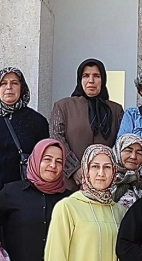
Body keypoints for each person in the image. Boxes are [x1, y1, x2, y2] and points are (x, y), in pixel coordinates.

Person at [48, 59, 124, 190]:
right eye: (86, 76)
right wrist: (74, 169)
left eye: (96, 76)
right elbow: (57, 139)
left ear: (103, 80)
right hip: (70, 183)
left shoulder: (115, 110)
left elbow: (120, 143)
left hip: (105, 182)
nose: (91, 81)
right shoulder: (63, 106)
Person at [0, 67, 52, 187]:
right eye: (3, 83)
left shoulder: (37, 121)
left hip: (21, 190)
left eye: (14, 83)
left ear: (22, 87)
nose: (9, 87)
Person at [112, 133, 142, 212]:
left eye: (139, 153)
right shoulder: (106, 179)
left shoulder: (141, 182)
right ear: (117, 151)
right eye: (128, 151)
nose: (133, 156)